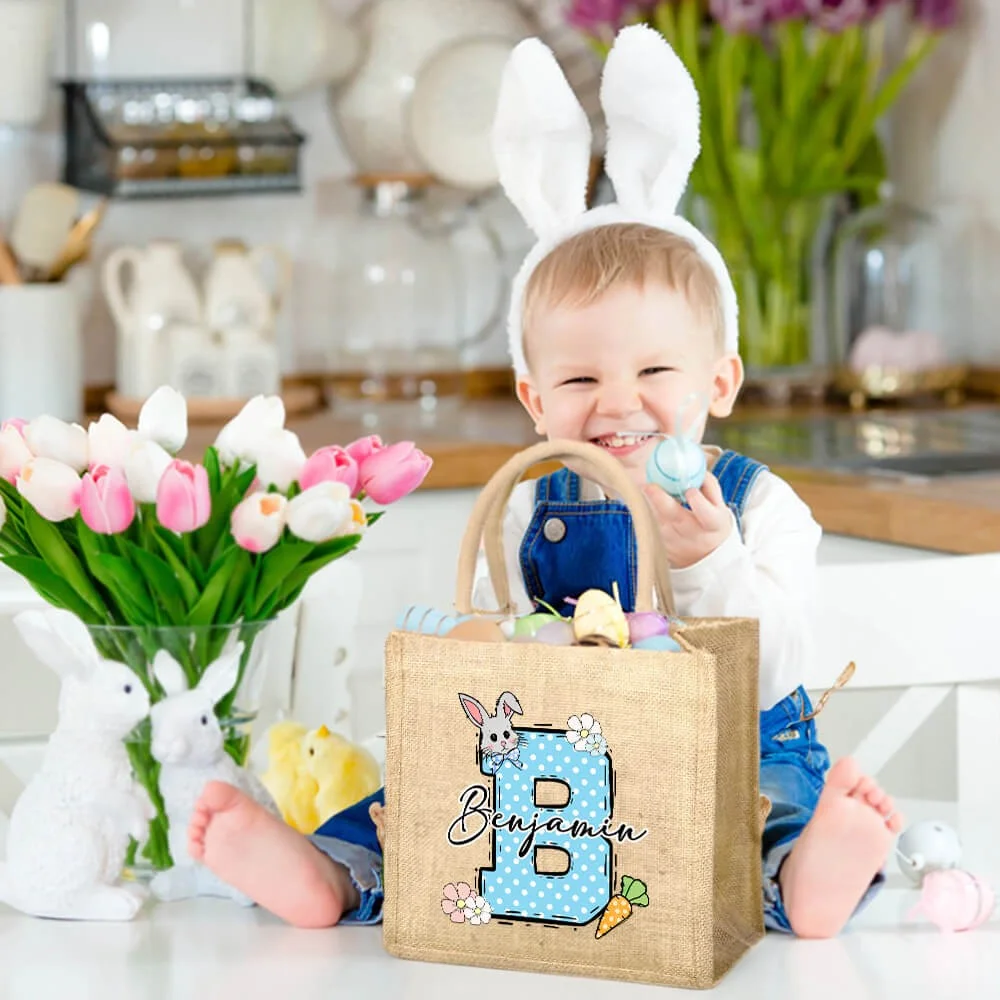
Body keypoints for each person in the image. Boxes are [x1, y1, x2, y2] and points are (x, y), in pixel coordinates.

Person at [186, 25, 902, 938]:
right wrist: (508, 646)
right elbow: (489, 630)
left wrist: (714, 561)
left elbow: (779, 670)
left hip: (731, 745)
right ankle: (333, 872)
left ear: (719, 384)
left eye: (656, 373)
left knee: (760, 802)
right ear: (533, 399)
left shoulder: (759, 507)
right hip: (558, 755)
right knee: (431, 792)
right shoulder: (527, 504)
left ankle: (804, 878)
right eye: (578, 380)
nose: (619, 404)